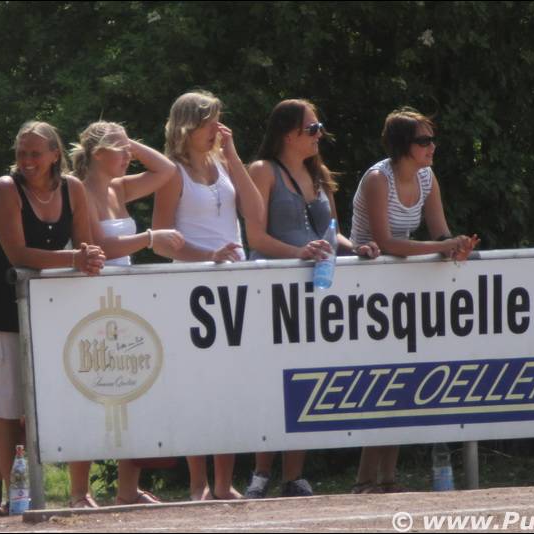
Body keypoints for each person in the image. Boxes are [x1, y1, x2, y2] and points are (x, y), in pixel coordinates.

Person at [0, 121, 105, 516]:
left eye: (35, 153)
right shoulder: (5, 189)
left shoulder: (73, 189)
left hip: (45, 309)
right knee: (8, 402)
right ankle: (18, 496)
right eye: (21, 152)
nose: (27, 160)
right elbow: (19, 255)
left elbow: (86, 244)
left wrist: (91, 257)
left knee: (48, 398)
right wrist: (77, 258)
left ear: (55, 154)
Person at [244, 99, 380, 499]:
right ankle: (260, 473)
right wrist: (297, 253)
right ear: (289, 134)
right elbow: (255, 236)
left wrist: (356, 248)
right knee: (270, 381)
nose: (320, 134)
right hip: (272, 290)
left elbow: (331, 232)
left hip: (315, 291)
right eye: (313, 128)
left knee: (303, 379)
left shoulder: (318, 173)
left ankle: (294, 476)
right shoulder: (262, 170)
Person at [349, 107, 479, 494]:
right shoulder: (378, 179)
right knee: (379, 382)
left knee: (398, 380)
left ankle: (386, 478)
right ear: (402, 146)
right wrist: (442, 247)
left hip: (398, 286)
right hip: (363, 287)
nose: (431, 147)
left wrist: (454, 247)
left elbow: (439, 233)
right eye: (423, 141)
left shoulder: (426, 177)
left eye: (432, 139)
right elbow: (386, 242)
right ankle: (364, 480)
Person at [67, 121, 185, 507]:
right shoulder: (79, 189)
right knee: (90, 392)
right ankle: (79, 491)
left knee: (131, 390)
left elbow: (167, 171)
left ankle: (127, 490)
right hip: (91, 300)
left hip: (124, 299)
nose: (128, 156)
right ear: (98, 153)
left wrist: (128, 140)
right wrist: (150, 237)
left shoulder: (118, 187)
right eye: (119, 150)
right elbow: (98, 244)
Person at [152, 90, 264, 500]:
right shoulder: (172, 173)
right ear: (188, 126)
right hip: (192, 289)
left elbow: (256, 213)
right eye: (209, 121)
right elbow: (160, 241)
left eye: (218, 119)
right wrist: (207, 256)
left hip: (233, 286)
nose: (217, 127)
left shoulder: (223, 163)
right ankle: (198, 483)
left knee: (228, 385)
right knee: (195, 387)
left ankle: (223, 483)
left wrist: (232, 155)